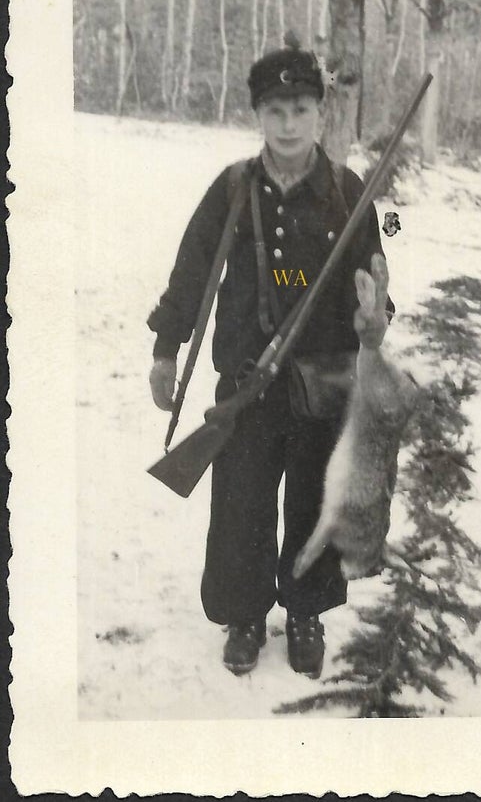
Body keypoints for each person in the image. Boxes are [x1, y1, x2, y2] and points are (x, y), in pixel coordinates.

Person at [147, 35, 394, 678]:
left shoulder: (346, 191)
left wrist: (374, 319)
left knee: (314, 507)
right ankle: (246, 616)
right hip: (246, 386)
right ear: (258, 116)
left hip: (323, 383)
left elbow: (374, 281)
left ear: (322, 116)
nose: (288, 125)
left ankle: (306, 614)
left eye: (302, 110)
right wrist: (165, 351)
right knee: (242, 510)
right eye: (275, 111)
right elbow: (191, 273)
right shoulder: (233, 187)